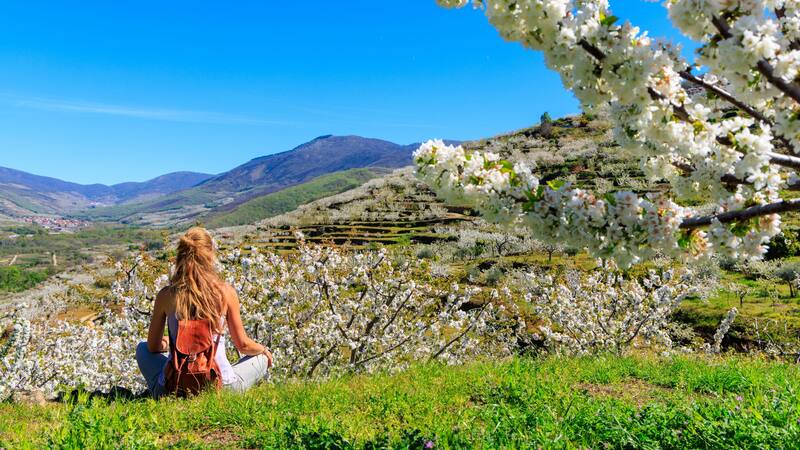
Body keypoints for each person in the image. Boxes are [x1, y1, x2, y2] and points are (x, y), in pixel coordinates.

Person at [135, 226, 273, 398]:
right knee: (262, 357)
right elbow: (243, 345)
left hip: (174, 387)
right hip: (222, 388)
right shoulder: (226, 292)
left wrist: (171, 342)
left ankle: (164, 392)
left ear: (180, 256)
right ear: (210, 255)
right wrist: (264, 350)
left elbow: (152, 347)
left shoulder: (166, 295)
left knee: (142, 349)